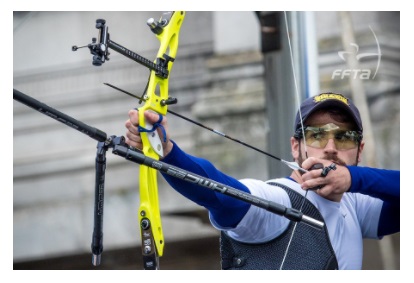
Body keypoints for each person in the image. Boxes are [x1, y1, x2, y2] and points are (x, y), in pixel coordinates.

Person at [124, 92, 400, 270]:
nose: (330, 147)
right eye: (316, 135)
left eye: (343, 137)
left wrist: (354, 178)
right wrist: (168, 153)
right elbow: (221, 193)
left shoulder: (354, 206)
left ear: (359, 150)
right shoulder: (277, 201)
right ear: (296, 147)